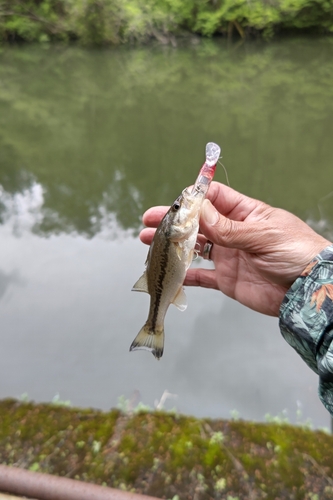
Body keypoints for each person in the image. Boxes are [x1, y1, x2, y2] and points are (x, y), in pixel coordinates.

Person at [139, 182, 333, 417]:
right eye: (178, 207)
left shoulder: (182, 233)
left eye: (176, 206)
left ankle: (153, 327)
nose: (180, 206)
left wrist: (311, 278)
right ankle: (154, 326)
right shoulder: (174, 238)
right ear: (172, 229)